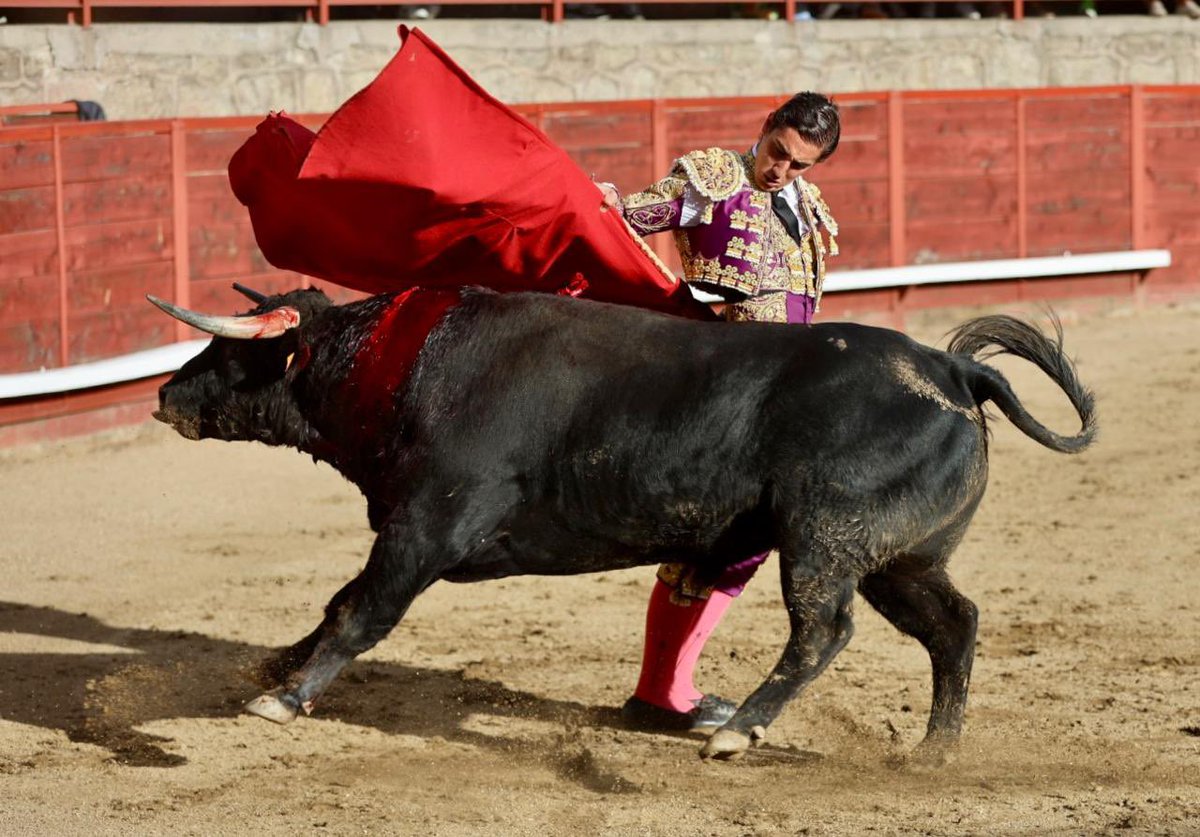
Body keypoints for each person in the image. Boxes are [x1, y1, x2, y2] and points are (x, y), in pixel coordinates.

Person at [596, 92, 842, 732]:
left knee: (745, 543)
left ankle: (664, 689)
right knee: (716, 537)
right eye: (778, 152)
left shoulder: (806, 204)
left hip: (779, 403)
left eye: (799, 164)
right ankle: (661, 692)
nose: (781, 170)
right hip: (723, 401)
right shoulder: (714, 179)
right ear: (766, 128)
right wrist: (606, 202)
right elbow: (623, 221)